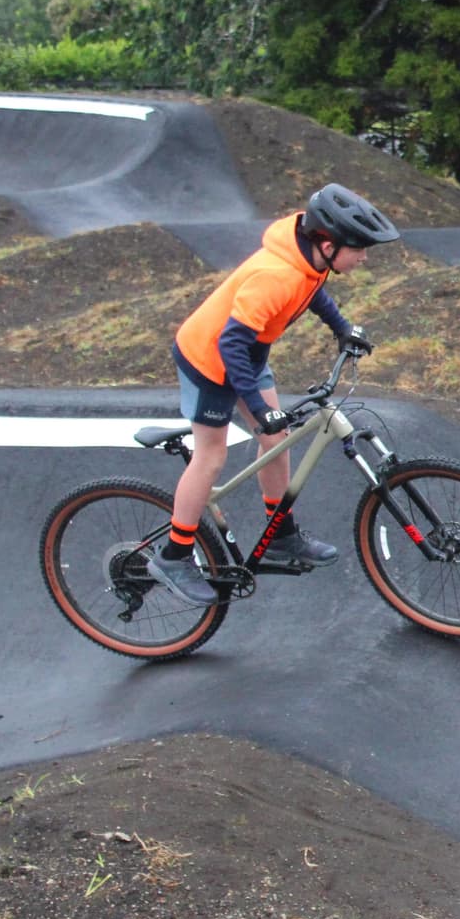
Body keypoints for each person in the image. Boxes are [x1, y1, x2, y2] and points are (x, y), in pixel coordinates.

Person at [146, 183, 400, 606]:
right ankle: (173, 556)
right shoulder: (275, 274)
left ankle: (279, 534)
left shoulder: (310, 260)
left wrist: (342, 328)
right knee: (212, 456)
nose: (365, 256)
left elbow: (312, 290)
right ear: (328, 243)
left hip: (247, 352)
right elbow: (229, 346)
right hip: (208, 358)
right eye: (359, 248)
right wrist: (261, 409)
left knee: (275, 441)